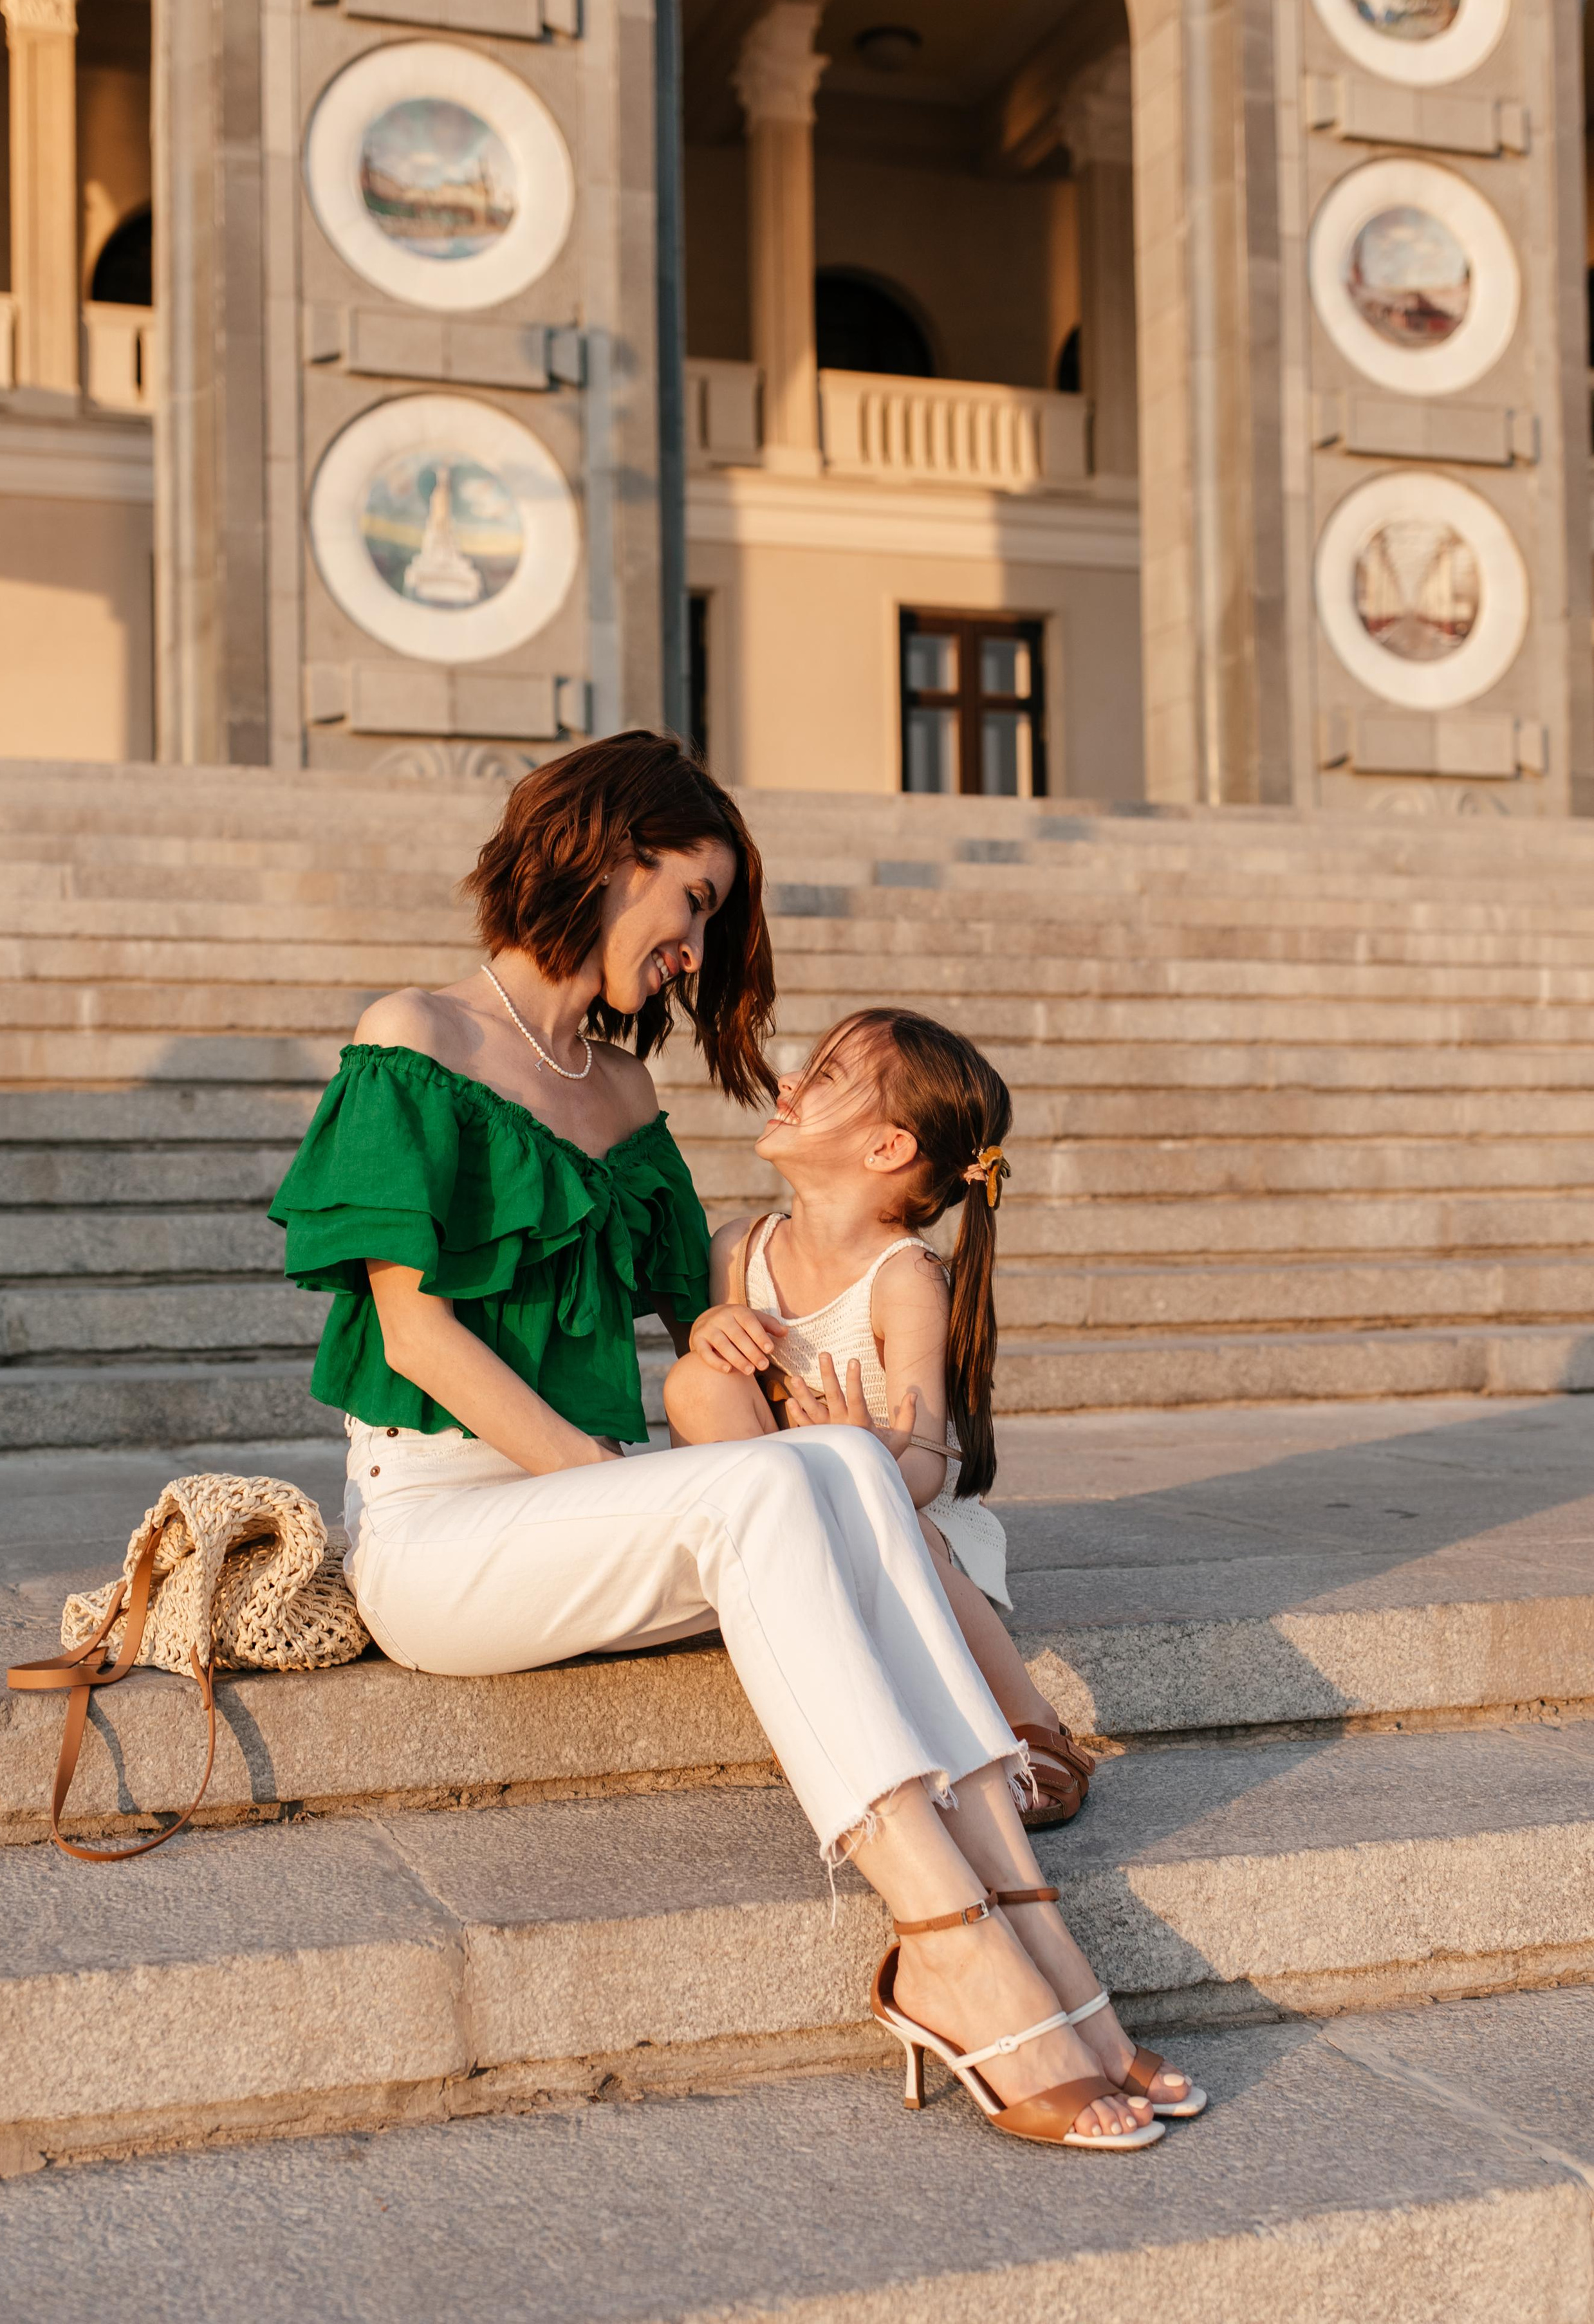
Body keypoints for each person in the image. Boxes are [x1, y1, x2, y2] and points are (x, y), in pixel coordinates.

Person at [268, 732, 1182, 2148]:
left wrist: (833, 1386)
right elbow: (417, 1338)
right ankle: (940, 1934)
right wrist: (643, 1489)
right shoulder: (418, 1042)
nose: (696, 948)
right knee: (761, 1489)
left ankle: (1032, 1936)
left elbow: (715, 1319)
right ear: (602, 855)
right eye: (689, 900)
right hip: (441, 1525)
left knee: (817, 1466)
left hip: (584, 1516)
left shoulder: (623, 1098)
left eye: (706, 915)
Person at [662, 1006, 1098, 1830]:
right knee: (694, 1380)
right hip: (768, 1511)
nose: (787, 1082)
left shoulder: (903, 1278)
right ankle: (784, 1583)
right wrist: (710, 1328)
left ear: (888, 1148)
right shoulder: (737, 1248)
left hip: (891, 1506)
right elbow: (717, 1408)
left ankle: (1031, 1722)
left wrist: (864, 1454)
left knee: (898, 1519)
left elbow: (928, 1463)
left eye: (822, 1076)